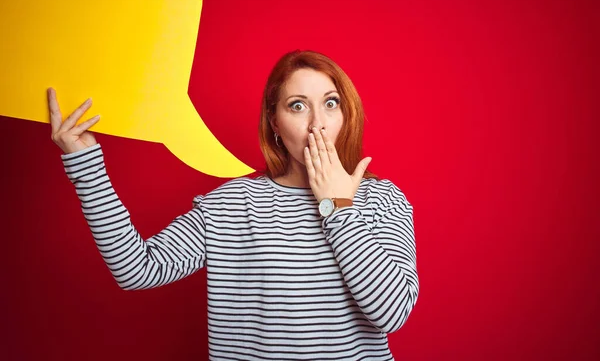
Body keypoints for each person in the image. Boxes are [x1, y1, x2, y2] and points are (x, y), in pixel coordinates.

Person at [48, 50, 419, 361]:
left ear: (346, 114)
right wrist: (86, 164)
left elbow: (390, 313)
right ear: (275, 121)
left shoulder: (383, 200)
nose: (317, 124)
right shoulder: (231, 205)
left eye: (330, 103)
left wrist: (338, 206)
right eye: (297, 106)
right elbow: (137, 269)